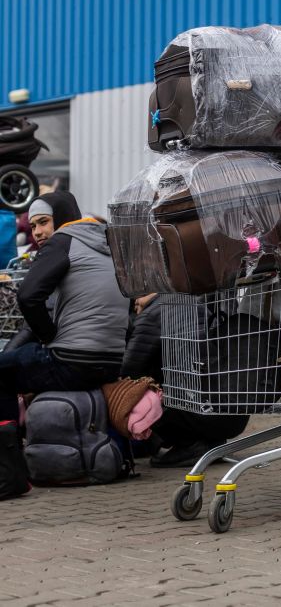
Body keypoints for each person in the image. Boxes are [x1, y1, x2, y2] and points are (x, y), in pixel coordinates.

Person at [0, 191, 129, 497]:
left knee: (2, 373)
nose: (38, 232)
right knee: (19, 362)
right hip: (111, 362)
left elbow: (28, 296)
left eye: (44, 222)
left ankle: (9, 474)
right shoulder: (105, 243)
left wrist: (47, 337)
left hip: (73, 361)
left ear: (62, 218)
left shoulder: (64, 240)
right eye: (32, 227)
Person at [120, 293, 251, 467]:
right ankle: (207, 440)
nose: (134, 299)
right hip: (233, 412)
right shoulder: (193, 303)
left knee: (135, 396)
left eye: (138, 292)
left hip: (204, 411)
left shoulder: (151, 315)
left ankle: (191, 444)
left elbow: (128, 372)